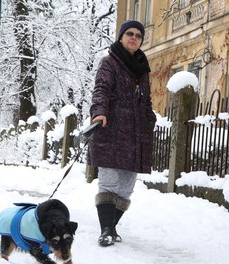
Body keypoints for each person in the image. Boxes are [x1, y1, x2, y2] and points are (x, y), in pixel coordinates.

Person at [87, 20, 156, 247]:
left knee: (126, 188)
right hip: (111, 131)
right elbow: (101, 90)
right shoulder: (110, 63)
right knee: (109, 183)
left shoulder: (142, 69)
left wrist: (149, 119)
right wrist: (99, 113)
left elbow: (145, 100)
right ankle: (106, 229)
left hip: (135, 137)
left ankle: (112, 227)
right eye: (129, 34)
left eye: (138, 35)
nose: (134, 38)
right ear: (121, 37)